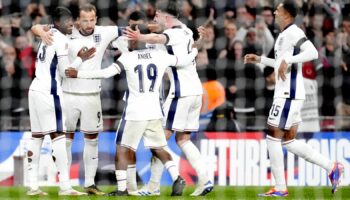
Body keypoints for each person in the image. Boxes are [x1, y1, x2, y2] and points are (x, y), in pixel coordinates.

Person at [65, 24, 198, 196]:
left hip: (135, 112)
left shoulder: (128, 58)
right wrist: (194, 49)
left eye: (129, 38)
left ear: (135, 40)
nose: (127, 40)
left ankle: (122, 190)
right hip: (154, 111)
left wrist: (79, 74)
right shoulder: (161, 55)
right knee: (158, 148)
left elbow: (105, 73)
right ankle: (176, 176)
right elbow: (184, 61)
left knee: (121, 148)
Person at [244, 0, 344, 196]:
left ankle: (280, 187)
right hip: (290, 94)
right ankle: (332, 167)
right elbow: (281, 63)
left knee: (273, 138)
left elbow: (313, 52)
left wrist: (288, 59)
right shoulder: (283, 35)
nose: (274, 12)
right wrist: (260, 59)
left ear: (287, 14)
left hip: (287, 95)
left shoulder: (294, 32)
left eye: (278, 10)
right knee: (289, 141)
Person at [31, 4, 123, 195]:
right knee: (64, 140)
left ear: (96, 19)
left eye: (92, 19)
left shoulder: (104, 32)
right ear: (77, 20)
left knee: (92, 140)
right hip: (67, 94)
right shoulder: (66, 31)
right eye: (84, 20)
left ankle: (89, 183)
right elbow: (35, 26)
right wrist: (40, 31)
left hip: (92, 95)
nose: (88, 24)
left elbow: (129, 30)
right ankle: (64, 184)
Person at [125, 1, 213, 196]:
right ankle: (205, 179)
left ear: (166, 17)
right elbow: (186, 45)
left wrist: (139, 36)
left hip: (180, 93)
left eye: (157, 15)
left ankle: (153, 187)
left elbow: (158, 38)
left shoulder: (172, 34)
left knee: (158, 139)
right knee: (183, 139)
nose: (154, 18)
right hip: (195, 91)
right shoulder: (187, 31)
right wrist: (197, 44)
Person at [27, 7, 94, 196]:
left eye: (72, 21)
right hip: (50, 92)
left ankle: (33, 187)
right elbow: (66, 72)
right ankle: (65, 186)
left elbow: (36, 27)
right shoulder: (62, 39)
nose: (71, 25)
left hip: (34, 89)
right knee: (58, 137)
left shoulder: (48, 32)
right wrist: (81, 59)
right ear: (58, 23)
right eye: (67, 22)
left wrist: (39, 30)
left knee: (36, 138)